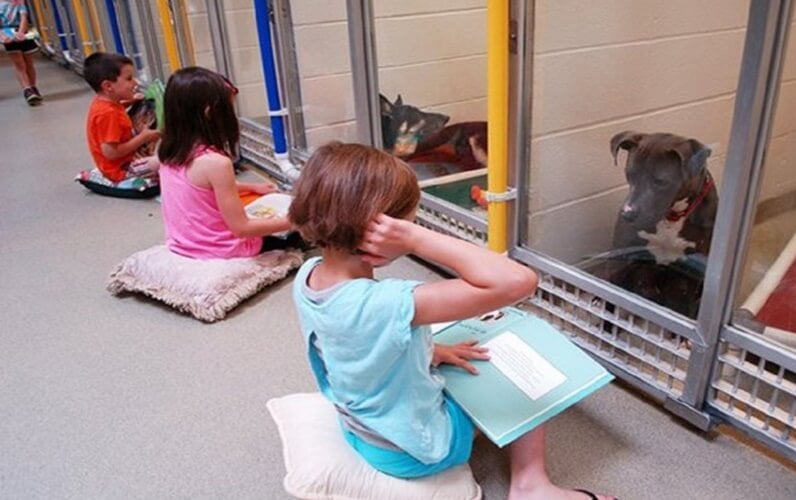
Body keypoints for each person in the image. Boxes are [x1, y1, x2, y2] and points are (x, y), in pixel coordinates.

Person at [290, 142, 615, 500]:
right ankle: (531, 485)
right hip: (414, 450)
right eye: (412, 220)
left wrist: (433, 351)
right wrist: (417, 239)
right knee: (526, 371)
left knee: (463, 345)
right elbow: (518, 282)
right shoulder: (390, 302)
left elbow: (352, 342)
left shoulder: (310, 276)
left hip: (361, 430)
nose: (415, 225)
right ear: (384, 229)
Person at [157, 66, 294, 259]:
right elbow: (242, 228)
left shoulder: (168, 149)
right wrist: (293, 221)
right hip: (222, 250)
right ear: (210, 113)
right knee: (300, 232)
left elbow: (202, 187)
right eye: (230, 109)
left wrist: (252, 187)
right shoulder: (216, 163)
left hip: (183, 243)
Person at [83, 52, 161, 184]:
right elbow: (111, 153)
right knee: (164, 162)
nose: (135, 82)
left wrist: (129, 102)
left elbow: (116, 114)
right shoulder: (107, 113)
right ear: (108, 86)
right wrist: (143, 138)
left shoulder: (106, 103)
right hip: (122, 170)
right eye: (129, 78)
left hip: (125, 161)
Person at [0, 0, 41, 105]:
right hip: (7, 33)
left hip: (23, 33)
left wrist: (21, 32)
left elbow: (24, 16)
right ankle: (27, 90)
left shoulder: (19, 2)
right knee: (19, 64)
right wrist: (3, 36)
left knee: (29, 63)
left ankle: (33, 86)